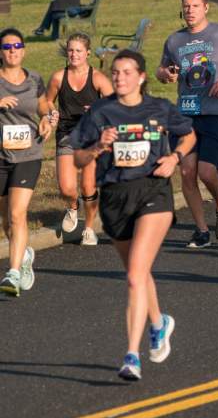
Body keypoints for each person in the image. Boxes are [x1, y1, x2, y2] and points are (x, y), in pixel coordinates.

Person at [71, 50, 196, 380]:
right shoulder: (101, 111)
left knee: (134, 276)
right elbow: (79, 160)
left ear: (141, 77)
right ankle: (159, 322)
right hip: (114, 198)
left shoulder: (159, 108)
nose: (119, 77)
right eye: (115, 72)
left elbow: (189, 134)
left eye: (127, 72)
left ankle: (131, 355)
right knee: (138, 273)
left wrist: (175, 157)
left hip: (153, 193)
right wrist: (98, 146)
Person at [156, 0, 218, 248]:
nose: (190, 10)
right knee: (187, 173)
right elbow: (161, 69)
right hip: (185, 116)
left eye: (195, 6)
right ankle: (201, 231)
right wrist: (166, 74)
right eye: (186, 6)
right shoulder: (175, 40)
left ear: (206, 7)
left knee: (207, 172)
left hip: (214, 113)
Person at [0, 28, 54, 296]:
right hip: (1, 157)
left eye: (17, 45)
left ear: (24, 49)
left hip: (28, 154)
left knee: (17, 213)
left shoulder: (34, 79)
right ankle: (24, 257)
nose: (12, 50)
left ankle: (11, 273)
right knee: (6, 221)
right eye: (7, 47)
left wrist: (47, 118)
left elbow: (44, 105)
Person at [46, 33, 113, 245]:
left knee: (88, 187)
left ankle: (89, 228)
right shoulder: (58, 77)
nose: (74, 54)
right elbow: (47, 101)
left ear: (88, 53)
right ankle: (73, 207)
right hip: (66, 134)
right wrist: (51, 112)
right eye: (71, 50)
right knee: (67, 188)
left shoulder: (98, 78)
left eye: (78, 50)